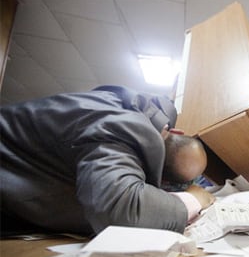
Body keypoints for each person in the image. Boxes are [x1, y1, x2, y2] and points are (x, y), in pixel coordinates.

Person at [0, 85, 215, 237]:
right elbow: (119, 209)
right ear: (163, 185)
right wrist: (193, 200)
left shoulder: (131, 107)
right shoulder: (125, 134)